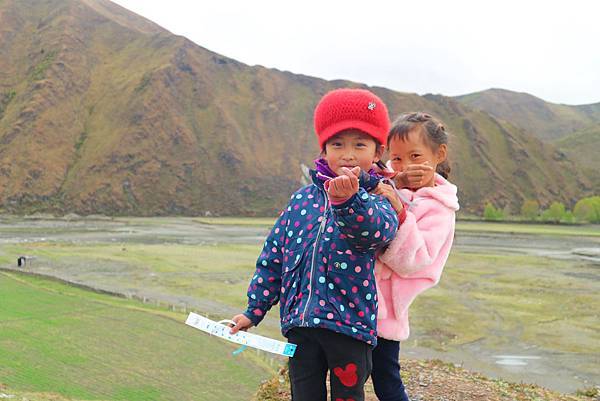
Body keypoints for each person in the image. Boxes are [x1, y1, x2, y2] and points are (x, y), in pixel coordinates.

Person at [230, 88, 400, 401]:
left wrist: (347, 202)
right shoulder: (300, 201)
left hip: (350, 327)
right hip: (300, 325)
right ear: (323, 151)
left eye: (359, 145)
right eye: (338, 144)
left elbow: (376, 234)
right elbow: (272, 259)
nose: (348, 154)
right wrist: (253, 311)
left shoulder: (379, 198)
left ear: (377, 152)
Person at [371, 112, 460, 401]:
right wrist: (394, 181)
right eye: (396, 158)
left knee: (386, 378)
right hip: (356, 299)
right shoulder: (388, 183)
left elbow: (412, 261)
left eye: (415, 155)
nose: (406, 165)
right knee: (347, 372)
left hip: (385, 310)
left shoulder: (440, 208)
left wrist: (398, 209)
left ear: (439, 154)